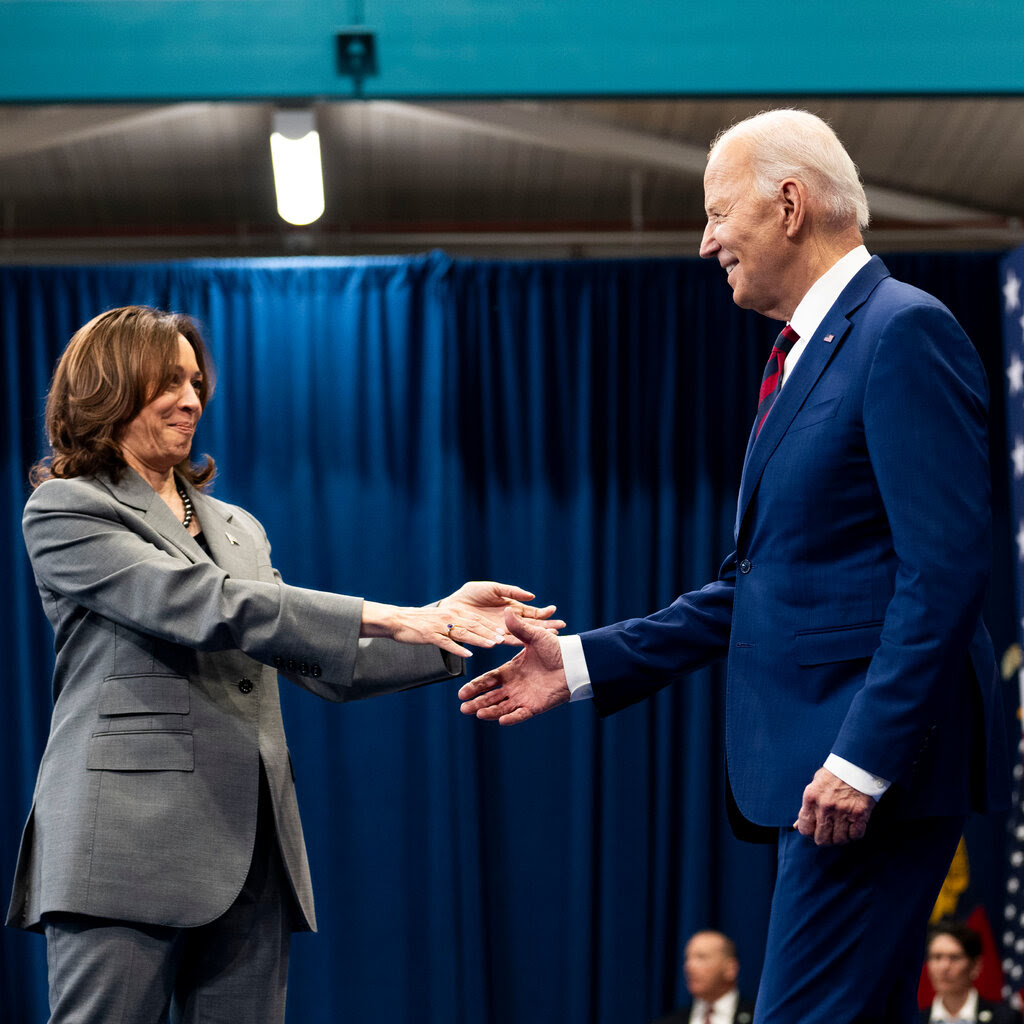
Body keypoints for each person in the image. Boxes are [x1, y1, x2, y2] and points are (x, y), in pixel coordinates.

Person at [459, 109, 1010, 1023]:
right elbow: (755, 588)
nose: (706, 240)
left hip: (868, 777)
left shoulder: (902, 332)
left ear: (790, 204)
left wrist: (864, 762)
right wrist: (584, 661)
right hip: (830, 775)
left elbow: (946, 570)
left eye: (718, 213)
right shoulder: (804, 355)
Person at [6, 305, 561, 1024]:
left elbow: (313, 657)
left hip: (253, 848)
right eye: (166, 382)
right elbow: (202, 603)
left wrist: (446, 633)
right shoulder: (66, 509)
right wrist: (390, 611)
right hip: (122, 845)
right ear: (108, 388)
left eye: (195, 381)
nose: (191, 399)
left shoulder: (237, 526)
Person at [919, 919, 1022, 1024]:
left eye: (954, 958)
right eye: (937, 957)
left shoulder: (1005, 1019)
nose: (944, 967)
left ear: (975, 965)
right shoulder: (914, 1019)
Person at [652, 930, 755, 1024]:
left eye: (701, 957)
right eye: (688, 959)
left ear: (730, 969)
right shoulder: (667, 1021)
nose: (689, 967)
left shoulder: (758, 1017)